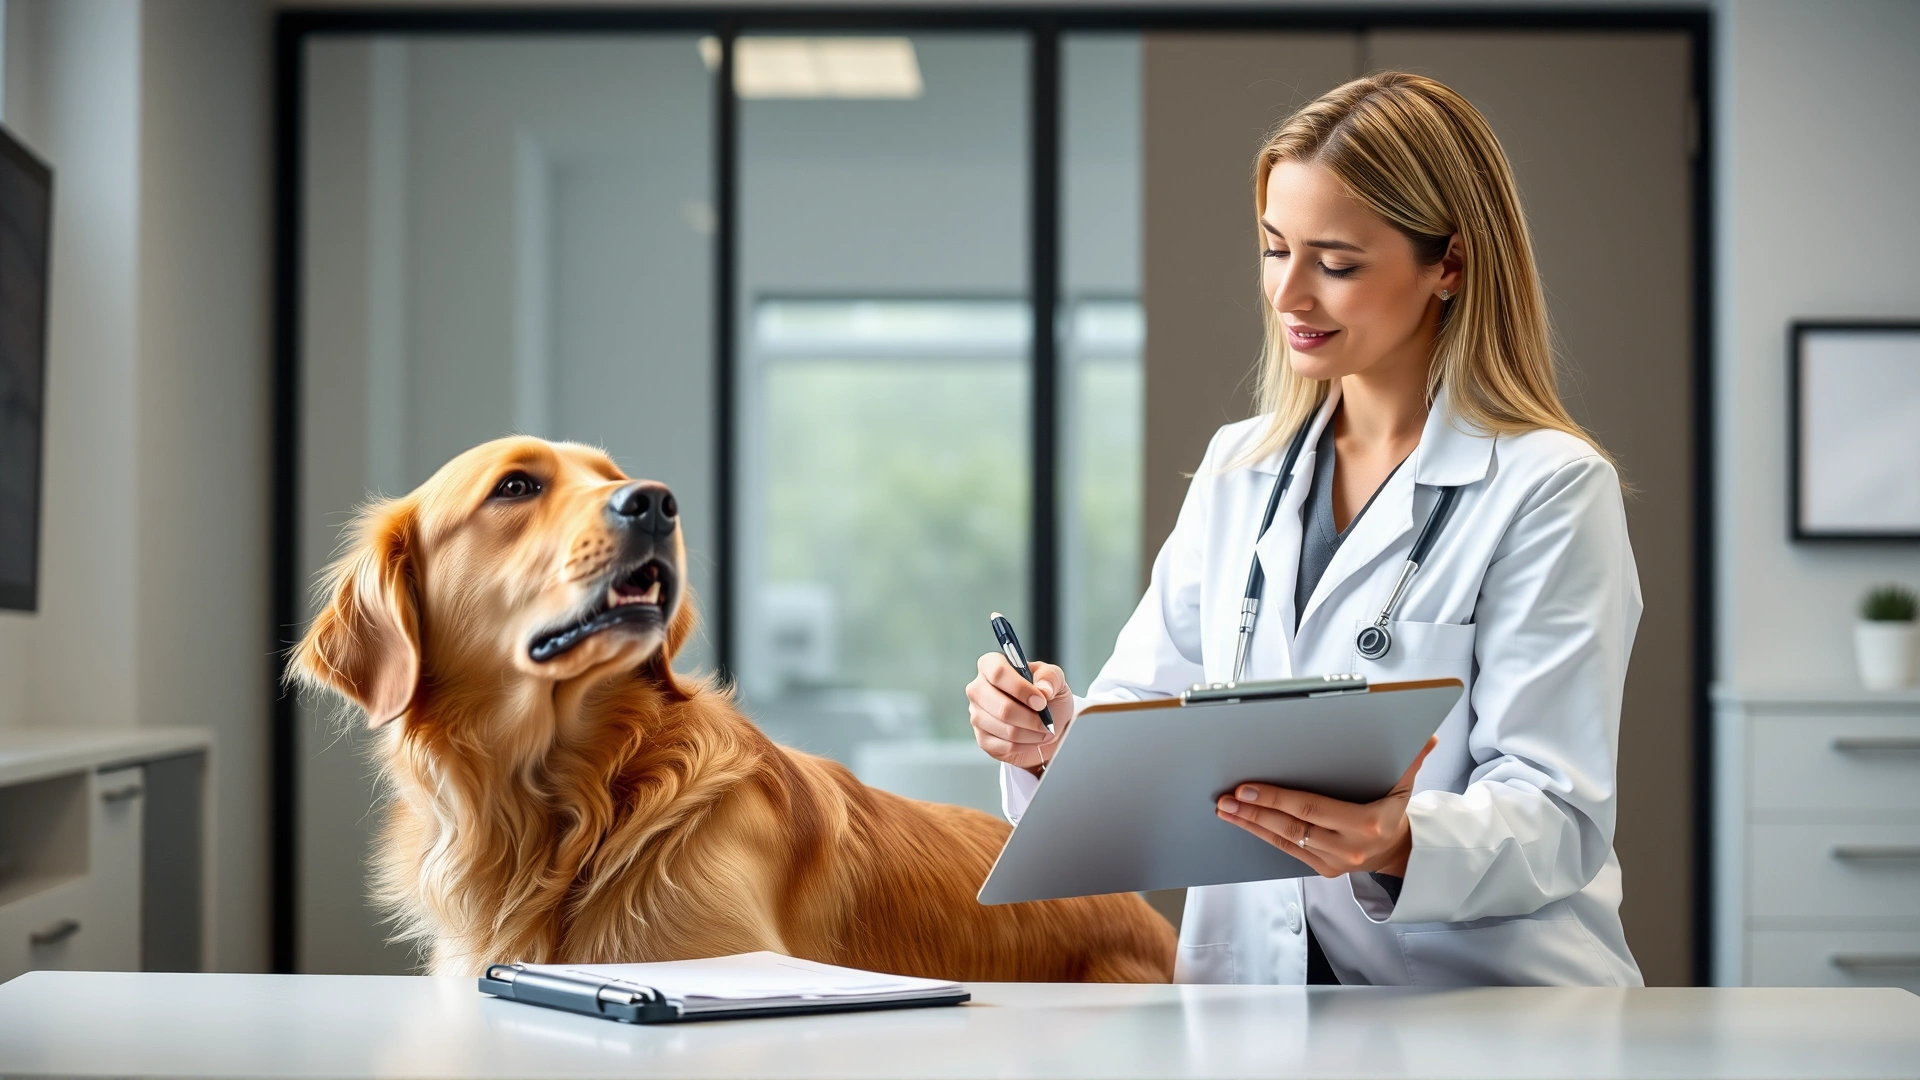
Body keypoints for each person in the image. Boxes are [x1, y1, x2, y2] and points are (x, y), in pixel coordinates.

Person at [965, 72, 1643, 987]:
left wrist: (1399, 841)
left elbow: (1559, 814)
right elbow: (1137, 725)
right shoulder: (1240, 469)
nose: (1290, 294)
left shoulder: (1549, 488)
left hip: (1481, 1005)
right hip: (1257, 1001)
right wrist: (1050, 741)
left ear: (1450, 263)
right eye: (1274, 248)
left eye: (1337, 262)